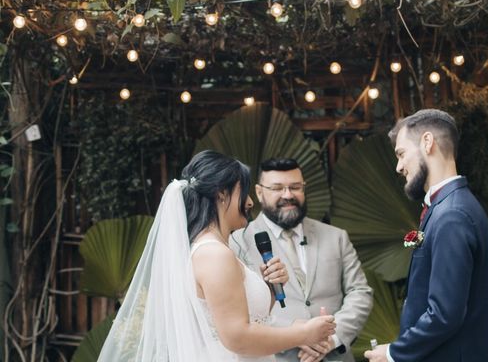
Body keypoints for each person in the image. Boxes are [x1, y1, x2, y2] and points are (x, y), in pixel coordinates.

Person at [98, 150, 336, 361]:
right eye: (243, 192)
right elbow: (237, 337)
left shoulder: (213, 249)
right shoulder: (214, 254)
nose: (250, 202)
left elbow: (248, 318)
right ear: (222, 194)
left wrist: (271, 288)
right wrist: (304, 334)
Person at [365, 109, 488, 362]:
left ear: (427, 142)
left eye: (401, 154)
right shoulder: (448, 207)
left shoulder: (452, 215)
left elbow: (444, 313)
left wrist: (394, 353)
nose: (398, 167)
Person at [231, 158, 373, 362]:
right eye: (278, 188)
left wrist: (330, 338)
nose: (288, 195)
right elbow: (239, 311)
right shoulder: (239, 241)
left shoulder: (336, 236)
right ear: (259, 192)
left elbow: (360, 292)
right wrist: (296, 336)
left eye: (295, 187)